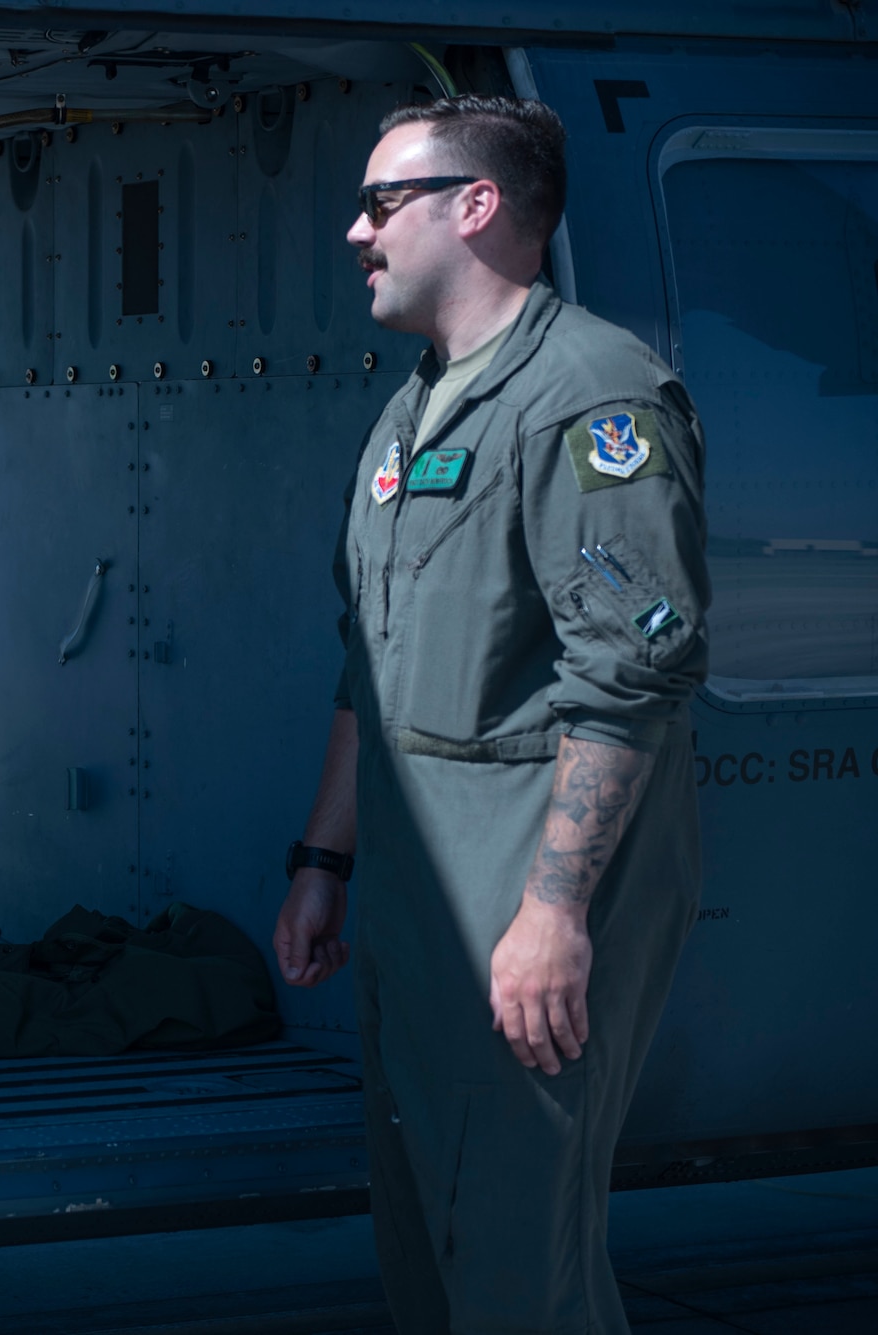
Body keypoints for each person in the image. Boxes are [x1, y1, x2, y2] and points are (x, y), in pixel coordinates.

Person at [271, 95, 710, 1332]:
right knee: (429, 1237)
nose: (354, 232)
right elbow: (371, 664)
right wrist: (322, 860)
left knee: (518, 1253)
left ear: (475, 207)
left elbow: (630, 674)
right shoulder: (409, 414)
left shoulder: (586, 397)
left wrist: (555, 912)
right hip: (420, 901)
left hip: (522, 904)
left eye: (377, 202)